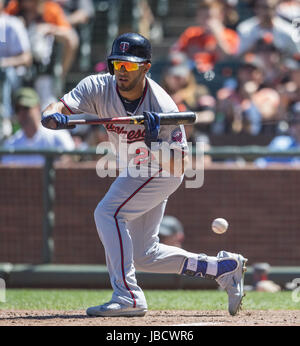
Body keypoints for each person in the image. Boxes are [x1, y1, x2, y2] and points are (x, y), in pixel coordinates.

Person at [41, 32, 247, 317]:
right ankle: (223, 268)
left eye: (129, 65)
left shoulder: (162, 105)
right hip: (135, 169)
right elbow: (57, 107)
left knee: (108, 213)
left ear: (146, 68)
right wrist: (53, 116)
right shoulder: (96, 86)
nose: (121, 71)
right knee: (143, 254)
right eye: (117, 64)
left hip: (161, 169)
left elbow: (180, 167)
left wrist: (155, 141)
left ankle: (128, 297)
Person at [5, 0, 79, 107]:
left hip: (44, 68)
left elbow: (71, 38)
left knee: (47, 107)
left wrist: (51, 29)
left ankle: (60, 77)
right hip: (17, 67)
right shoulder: (14, 7)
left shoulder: (50, 9)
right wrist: (16, 25)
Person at [1, 87, 75, 165]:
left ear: (38, 107)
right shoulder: (11, 144)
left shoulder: (57, 135)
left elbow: (72, 158)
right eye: (18, 109)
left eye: (26, 108)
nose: (22, 112)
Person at [170, 0, 240, 73]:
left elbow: (228, 58)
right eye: (202, 17)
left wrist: (217, 36)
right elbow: (175, 54)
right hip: (195, 74)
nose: (206, 21)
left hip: (218, 76)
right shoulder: (191, 33)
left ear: (220, 16)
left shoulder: (230, 35)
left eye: (209, 17)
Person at [0, 0, 32, 139]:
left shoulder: (12, 24)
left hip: (14, 77)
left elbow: (27, 58)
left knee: (3, 72)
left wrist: (3, 62)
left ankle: (5, 120)